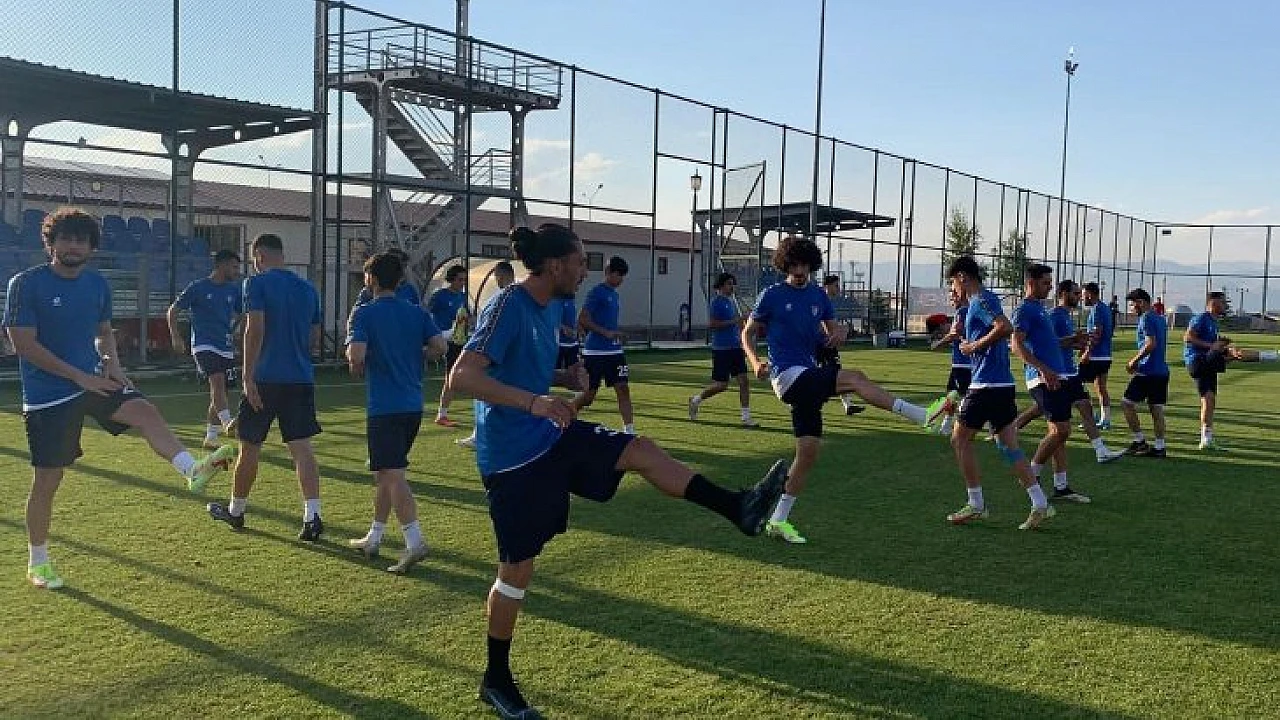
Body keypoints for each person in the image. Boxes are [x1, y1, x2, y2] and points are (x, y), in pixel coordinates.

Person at [449, 223, 788, 719]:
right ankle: (495, 680)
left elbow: (516, 368)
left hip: (551, 436)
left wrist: (562, 376)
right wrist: (535, 402)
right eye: (579, 261)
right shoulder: (508, 304)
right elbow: (463, 375)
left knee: (639, 449)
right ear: (555, 265)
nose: (584, 271)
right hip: (512, 458)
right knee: (516, 572)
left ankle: (739, 507)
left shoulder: (553, 306)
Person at [5, 208, 233, 589]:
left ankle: (191, 470)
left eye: (81, 240)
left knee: (145, 411)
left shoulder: (97, 285)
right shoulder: (26, 284)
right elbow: (23, 344)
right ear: (51, 243)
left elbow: (104, 332)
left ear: (91, 247)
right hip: (49, 396)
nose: (73, 246)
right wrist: (78, 375)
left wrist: (112, 364)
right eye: (65, 239)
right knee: (47, 480)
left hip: (95, 381)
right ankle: (38, 562)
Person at [741, 236, 940, 544]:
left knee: (808, 454)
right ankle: (922, 416)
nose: (799, 271)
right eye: (794, 265)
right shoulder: (772, 295)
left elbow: (831, 334)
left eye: (804, 265)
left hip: (808, 374)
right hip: (788, 376)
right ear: (785, 265)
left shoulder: (819, 296)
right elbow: (747, 333)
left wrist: (839, 333)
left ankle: (778, 520)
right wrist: (755, 362)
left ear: (812, 265)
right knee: (855, 379)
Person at [207, 233, 326, 539]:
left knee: (249, 448)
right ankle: (312, 516)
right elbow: (314, 337)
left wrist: (248, 377)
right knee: (301, 448)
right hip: (300, 377)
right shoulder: (308, 289)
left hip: (265, 379)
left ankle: (236, 511)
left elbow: (254, 328)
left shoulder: (256, 283)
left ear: (259, 255)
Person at [346, 252, 447, 572]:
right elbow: (440, 347)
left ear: (372, 279)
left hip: (384, 408)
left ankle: (415, 542)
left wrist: (357, 361)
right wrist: (415, 354)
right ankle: (374, 537)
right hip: (413, 406)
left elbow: (356, 357)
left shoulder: (364, 313)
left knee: (392, 476)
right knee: (385, 475)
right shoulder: (416, 312)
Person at [942, 255, 1056, 531]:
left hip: (986, 386)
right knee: (1008, 446)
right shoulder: (979, 302)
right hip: (1002, 385)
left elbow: (1005, 327)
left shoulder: (981, 300)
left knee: (959, 439)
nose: (953, 289)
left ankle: (976, 503)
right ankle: (1039, 502)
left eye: (953, 283)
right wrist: (967, 340)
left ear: (962, 277)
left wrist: (973, 347)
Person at [1012, 280, 1125, 467]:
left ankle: (1100, 451)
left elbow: (1061, 343)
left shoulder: (1065, 315)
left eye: (1080, 293)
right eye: (1075, 293)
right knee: (1056, 424)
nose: (1079, 297)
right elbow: (1048, 343)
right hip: (1058, 373)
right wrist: (1073, 341)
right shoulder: (1053, 316)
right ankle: (1016, 440)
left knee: (1082, 408)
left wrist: (1078, 343)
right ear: (1063, 294)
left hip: (1069, 372)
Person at [1010, 271, 1099, 506]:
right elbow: (1016, 345)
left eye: (1050, 283)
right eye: (1046, 283)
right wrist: (1043, 370)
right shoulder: (1024, 309)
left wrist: (1074, 340)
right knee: (1062, 430)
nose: (1050, 287)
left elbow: (1051, 344)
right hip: (1042, 379)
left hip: (1056, 376)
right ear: (1031, 283)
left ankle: (1061, 486)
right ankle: (1031, 474)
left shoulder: (1040, 309)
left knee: (1058, 434)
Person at [167, 248, 244, 449]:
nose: (237, 272)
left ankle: (211, 437)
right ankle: (227, 423)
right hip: (203, 344)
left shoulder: (233, 290)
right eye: (234, 267)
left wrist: (233, 331)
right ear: (222, 265)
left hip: (224, 346)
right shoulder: (198, 287)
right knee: (217, 382)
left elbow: (243, 313)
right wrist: (176, 336)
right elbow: (173, 311)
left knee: (221, 392)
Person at [1183, 291, 1278, 451]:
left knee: (1209, 399)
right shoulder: (1201, 318)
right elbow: (1188, 337)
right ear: (1213, 303)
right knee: (1235, 353)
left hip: (1206, 360)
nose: (1225, 305)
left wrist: (1220, 343)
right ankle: (1274, 356)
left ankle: (1206, 440)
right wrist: (1213, 346)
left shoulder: (1213, 321)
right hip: (1198, 361)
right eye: (1222, 302)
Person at [572, 255, 635, 433]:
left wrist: (617, 334)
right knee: (588, 396)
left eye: (623, 276)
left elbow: (609, 323)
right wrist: (605, 332)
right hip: (595, 353)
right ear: (608, 272)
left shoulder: (615, 295)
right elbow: (583, 318)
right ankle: (564, 413)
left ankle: (629, 432)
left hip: (614, 351)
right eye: (618, 274)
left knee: (623, 389)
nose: (621, 279)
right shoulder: (596, 292)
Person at [458, 262, 517, 449]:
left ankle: (481, 436)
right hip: (511, 359)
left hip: (494, 357)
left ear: (500, 276)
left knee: (485, 394)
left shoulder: (502, 299)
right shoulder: (523, 298)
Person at [687, 272, 757, 427]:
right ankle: (696, 399)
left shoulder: (731, 302)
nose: (732, 287)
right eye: (729, 284)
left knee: (744, 381)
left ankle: (746, 417)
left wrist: (743, 332)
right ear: (721, 285)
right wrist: (735, 321)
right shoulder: (716, 302)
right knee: (721, 385)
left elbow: (737, 323)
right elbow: (713, 324)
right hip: (722, 349)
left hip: (735, 348)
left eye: (733, 284)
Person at [1120, 289, 1169, 458]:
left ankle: (1139, 441)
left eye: (1132, 304)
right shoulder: (1160, 318)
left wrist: (1133, 361)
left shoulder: (1146, 318)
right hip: (1161, 371)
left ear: (1140, 302)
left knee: (1126, 403)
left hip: (1147, 371)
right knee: (1156, 409)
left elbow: (1151, 344)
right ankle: (1160, 447)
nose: (1131, 308)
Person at [426, 264, 470, 428]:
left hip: (460, 340)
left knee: (458, 376)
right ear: (451, 279)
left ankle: (443, 414)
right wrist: (439, 334)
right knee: (452, 377)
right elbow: (427, 315)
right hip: (445, 340)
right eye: (459, 279)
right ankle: (442, 414)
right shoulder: (439, 296)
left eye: (464, 280)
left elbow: (466, 316)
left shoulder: (463, 297)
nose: (462, 283)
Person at [817, 274, 864, 415]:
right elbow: (818, 322)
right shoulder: (819, 300)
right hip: (819, 344)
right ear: (827, 286)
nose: (838, 289)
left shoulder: (826, 301)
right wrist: (834, 332)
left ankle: (848, 405)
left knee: (837, 372)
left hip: (827, 344)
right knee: (822, 374)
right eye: (836, 286)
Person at [929, 284, 970, 436]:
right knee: (952, 394)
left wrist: (938, 344)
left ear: (962, 295)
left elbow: (954, 334)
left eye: (954, 294)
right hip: (962, 364)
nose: (951, 298)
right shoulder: (968, 311)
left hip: (964, 365)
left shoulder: (962, 311)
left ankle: (962, 427)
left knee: (965, 397)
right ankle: (947, 425)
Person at [1079, 282, 1116, 429]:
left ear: (1089, 294)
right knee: (1101, 387)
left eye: (1083, 295)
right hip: (1106, 355)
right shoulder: (1105, 308)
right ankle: (1105, 419)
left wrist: (1087, 351)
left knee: (1076, 384)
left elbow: (1097, 333)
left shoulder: (1097, 310)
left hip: (1095, 356)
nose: (1082, 298)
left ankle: (1090, 416)